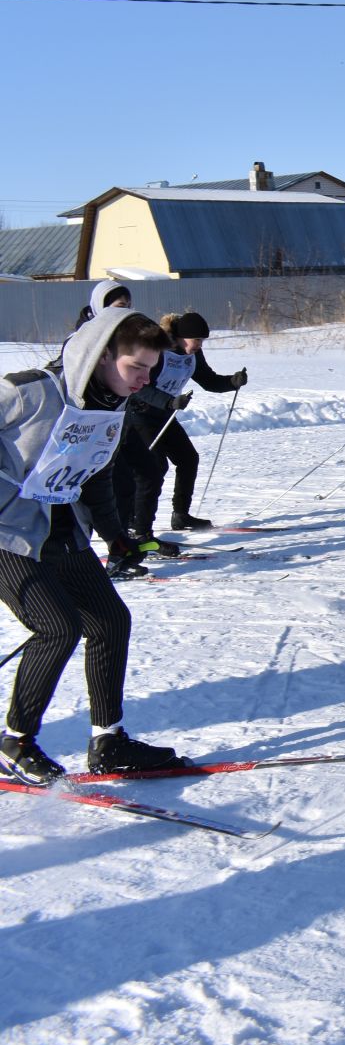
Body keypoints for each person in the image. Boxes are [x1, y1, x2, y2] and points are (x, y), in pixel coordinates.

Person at [0, 309, 186, 783]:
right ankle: (13, 741)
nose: (144, 380)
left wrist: (118, 537)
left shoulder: (108, 406)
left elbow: (97, 477)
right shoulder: (29, 391)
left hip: (62, 530)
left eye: (150, 371)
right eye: (136, 368)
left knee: (109, 620)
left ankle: (109, 741)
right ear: (103, 355)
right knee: (57, 628)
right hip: (9, 535)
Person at [112, 311, 246, 535]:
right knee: (153, 468)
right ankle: (136, 524)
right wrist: (168, 401)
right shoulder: (158, 351)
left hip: (165, 416)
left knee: (188, 459)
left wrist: (232, 382)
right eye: (197, 340)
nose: (199, 345)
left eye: (202, 341)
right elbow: (139, 388)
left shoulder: (193, 355)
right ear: (182, 337)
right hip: (139, 416)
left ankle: (181, 515)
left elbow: (208, 380)